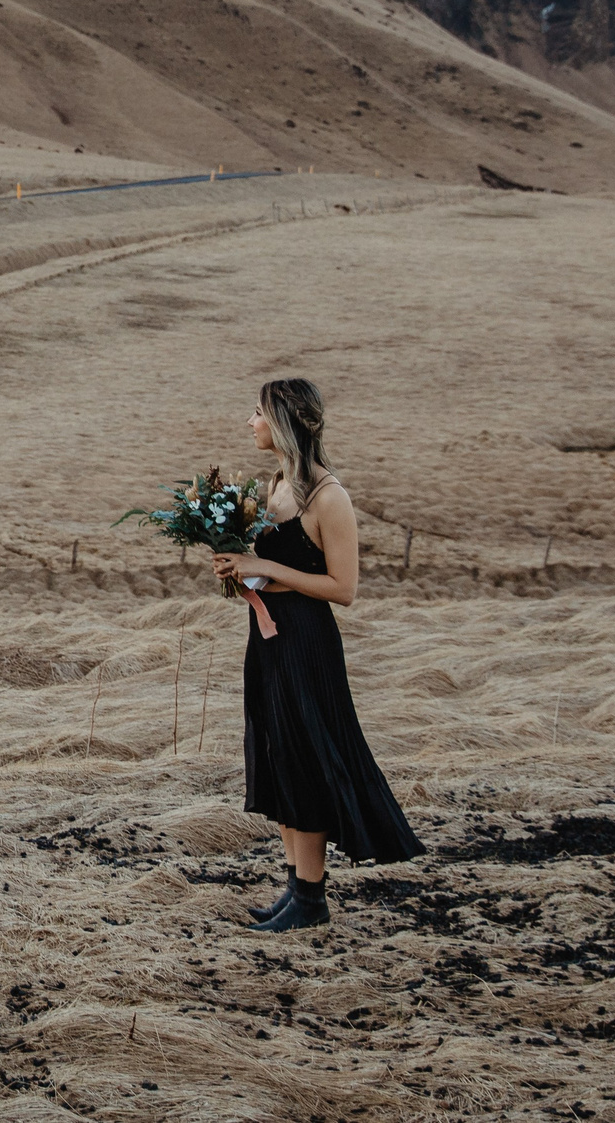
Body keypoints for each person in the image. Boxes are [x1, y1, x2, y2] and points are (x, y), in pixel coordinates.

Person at [213, 377, 424, 930]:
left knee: (306, 757)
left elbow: (343, 588)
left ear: (282, 420)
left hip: (306, 641)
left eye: (257, 412)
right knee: (281, 753)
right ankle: (296, 890)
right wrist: (239, 569)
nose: (249, 422)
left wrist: (272, 570)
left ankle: (311, 900)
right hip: (269, 636)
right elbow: (274, 572)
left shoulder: (329, 496)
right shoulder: (277, 484)